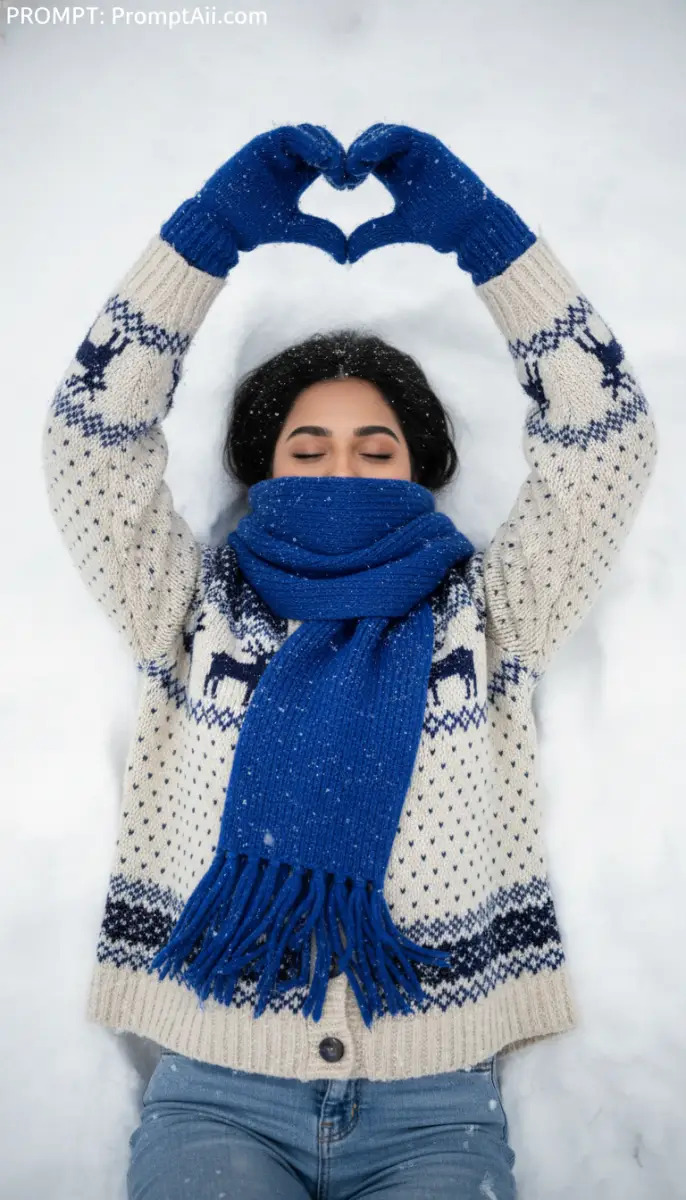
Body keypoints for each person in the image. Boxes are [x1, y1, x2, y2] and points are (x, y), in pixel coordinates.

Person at [42, 123, 658, 1200]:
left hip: (436, 1107)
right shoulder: (189, 609)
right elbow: (92, 437)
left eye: (377, 449)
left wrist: (483, 238)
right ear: (261, 470)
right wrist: (209, 237)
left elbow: (605, 434)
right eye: (307, 448)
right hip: (215, 1088)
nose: (343, 471)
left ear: (419, 471)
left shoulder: (489, 616)